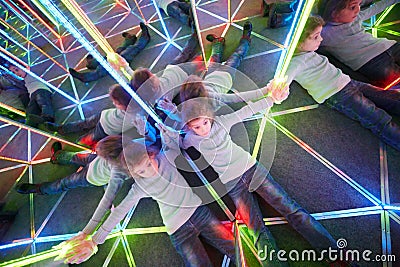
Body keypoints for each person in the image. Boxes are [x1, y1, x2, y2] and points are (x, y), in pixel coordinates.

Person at [179, 83, 358, 266]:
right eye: (196, 127)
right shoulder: (189, 139)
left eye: (205, 123)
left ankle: (337, 257)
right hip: (232, 184)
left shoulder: (222, 122)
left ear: (211, 117)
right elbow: (177, 142)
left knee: (290, 208)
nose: (203, 129)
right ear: (189, 126)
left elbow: (247, 111)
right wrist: (170, 119)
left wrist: (272, 98)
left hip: (251, 169)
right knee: (256, 231)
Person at [55, 129, 236, 266]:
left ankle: (63, 157)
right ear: (132, 173)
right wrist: (93, 239)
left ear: (151, 154)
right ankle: (62, 157)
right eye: (140, 171)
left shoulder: (167, 156)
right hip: (177, 228)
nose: (149, 172)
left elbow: (177, 138)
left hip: (198, 212)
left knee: (235, 248)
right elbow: (118, 211)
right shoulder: (138, 184)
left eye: (148, 164)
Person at [286, 15, 400, 151]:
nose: (321, 39)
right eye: (316, 37)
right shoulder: (296, 62)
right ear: (298, 42)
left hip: (348, 81)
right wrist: (279, 88)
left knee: (390, 98)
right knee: (378, 119)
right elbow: (286, 78)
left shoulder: (308, 51)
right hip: (339, 94)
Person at [318, 0, 400, 88]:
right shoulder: (323, 33)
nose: (358, 9)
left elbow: (376, 8)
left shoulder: (356, 17)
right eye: (352, 7)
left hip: (390, 47)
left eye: (359, 4)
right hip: (371, 63)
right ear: (333, 12)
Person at [44, 84, 148, 148]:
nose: (114, 104)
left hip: (105, 129)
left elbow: (142, 129)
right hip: (103, 116)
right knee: (82, 123)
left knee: (85, 139)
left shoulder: (137, 115)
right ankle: (61, 128)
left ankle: (73, 147)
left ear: (124, 104)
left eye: (116, 103)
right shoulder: (132, 101)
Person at [15, 135, 128, 195]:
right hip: (97, 161)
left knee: (65, 182)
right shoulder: (126, 147)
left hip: (91, 176)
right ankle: (58, 156)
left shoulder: (121, 169)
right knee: (77, 156)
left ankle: (39, 189)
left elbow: (113, 186)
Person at [68, 22, 150, 83]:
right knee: (118, 53)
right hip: (120, 65)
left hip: (121, 65)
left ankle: (89, 72)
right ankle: (131, 39)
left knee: (113, 61)